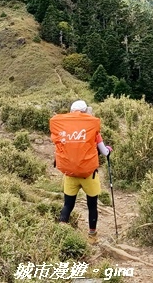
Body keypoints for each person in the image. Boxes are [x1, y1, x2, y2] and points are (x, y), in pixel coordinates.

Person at [49, 99, 112, 244]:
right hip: (88, 174)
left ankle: (61, 232)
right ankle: (92, 236)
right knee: (92, 205)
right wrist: (108, 149)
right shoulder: (92, 130)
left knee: (68, 205)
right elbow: (104, 152)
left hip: (70, 174)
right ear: (85, 113)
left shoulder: (63, 129)